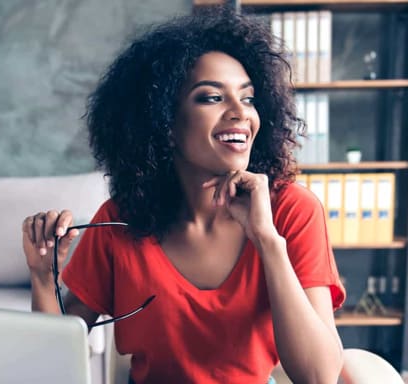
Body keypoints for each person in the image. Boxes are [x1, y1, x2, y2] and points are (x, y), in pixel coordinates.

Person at [22, 6, 345, 383]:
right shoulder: (120, 219)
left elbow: (320, 376)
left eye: (249, 98)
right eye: (211, 98)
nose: (241, 113)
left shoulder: (292, 209)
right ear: (164, 123)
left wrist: (267, 241)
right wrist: (43, 278)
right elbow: (52, 364)